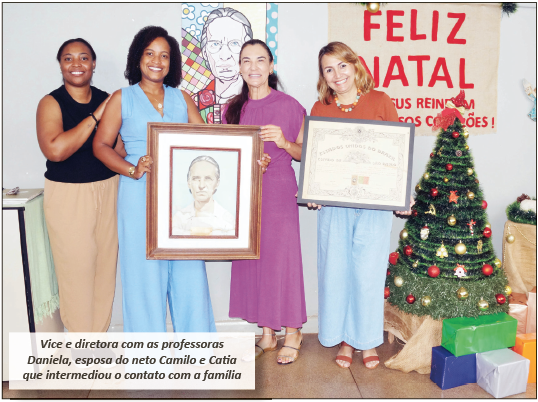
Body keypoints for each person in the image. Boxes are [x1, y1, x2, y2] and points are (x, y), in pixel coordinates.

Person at [93, 26, 216, 332]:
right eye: (150, 53)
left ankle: (198, 351)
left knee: (190, 274)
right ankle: (148, 353)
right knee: (143, 277)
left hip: (182, 197)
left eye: (164, 55)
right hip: (138, 195)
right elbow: (101, 145)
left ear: (172, 63)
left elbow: (210, 143)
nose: (157, 61)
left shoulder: (182, 98)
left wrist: (248, 158)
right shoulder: (122, 98)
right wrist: (132, 170)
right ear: (138, 58)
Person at [309, 41, 413, 369]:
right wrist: (313, 189)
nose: (337, 74)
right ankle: (344, 339)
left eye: (342, 65)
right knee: (336, 271)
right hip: (335, 206)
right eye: (329, 69)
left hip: (374, 205)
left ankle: (366, 341)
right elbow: (316, 160)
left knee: (368, 274)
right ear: (323, 76)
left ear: (355, 66)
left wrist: (402, 195)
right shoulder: (320, 109)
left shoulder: (380, 101)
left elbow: (396, 154)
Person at [224, 39, 307, 365]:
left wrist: (284, 142)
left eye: (260, 60)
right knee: (254, 260)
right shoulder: (233, 108)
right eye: (247, 60)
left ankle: (293, 331)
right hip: (246, 193)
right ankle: (268, 333)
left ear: (271, 66)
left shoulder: (289, 106)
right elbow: (227, 155)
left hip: (279, 191)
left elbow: (306, 154)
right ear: (240, 68)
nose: (253, 67)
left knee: (282, 260)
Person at [36, 38, 125, 333]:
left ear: (93, 63)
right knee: (76, 270)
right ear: (61, 65)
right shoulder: (51, 102)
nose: (77, 64)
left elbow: (119, 150)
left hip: (108, 188)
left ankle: (97, 339)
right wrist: (96, 115)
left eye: (84, 57)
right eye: (68, 58)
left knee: (104, 269)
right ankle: (80, 341)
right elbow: (56, 150)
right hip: (68, 195)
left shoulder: (107, 98)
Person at [197, 7, 253, 123]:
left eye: (235, 43)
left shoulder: (258, 101)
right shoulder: (193, 103)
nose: (224, 55)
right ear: (205, 53)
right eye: (215, 44)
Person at [172, 155, 235, 236]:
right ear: (189, 183)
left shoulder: (227, 220)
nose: (201, 185)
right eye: (196, 179)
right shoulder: (179, 219)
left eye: (208, 179)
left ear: (217, 183)